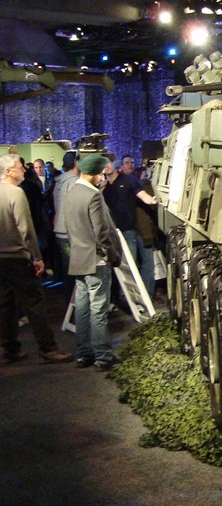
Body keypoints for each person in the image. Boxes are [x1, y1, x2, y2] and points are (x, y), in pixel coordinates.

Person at [0, 153, 74, 364]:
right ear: (7, 171)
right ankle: (48, 349)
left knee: (5, 304)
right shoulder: (16, 193)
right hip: (17, 257)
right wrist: (37, 257)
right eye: (19, 167)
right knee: (35, 303)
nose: (24, 169)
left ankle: (11, 348)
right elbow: (26, 229)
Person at [63, 153, 123, 371]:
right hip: (96, 261)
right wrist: (111, 255)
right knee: (99, 310)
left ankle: (84, 353)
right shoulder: (94, 196)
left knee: (81, 308)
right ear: (93, 174)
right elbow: (102, 232)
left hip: (78, 259)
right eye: (100, 174)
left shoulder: (70, 194)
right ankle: (103, 356)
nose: (102, 178)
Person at [102, 154, 158, 298]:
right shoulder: (104, 187)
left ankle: (143, 297)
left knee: (134, 266)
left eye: (108, 163)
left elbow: (141, 194)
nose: (106, 166)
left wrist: (152, 200)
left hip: (130, 231)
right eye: (103, 164)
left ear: (114, 163)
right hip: (114, 232)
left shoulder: (128, 180)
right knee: (123, 268)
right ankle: (127, 298)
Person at [52, 151, 80, 305]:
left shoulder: (59, 181)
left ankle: (70, 304)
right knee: (73, 272)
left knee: (67, 270)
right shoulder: (74, 182)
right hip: (70, 232)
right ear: (76, 162)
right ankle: (74, 307)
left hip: (60, 231)